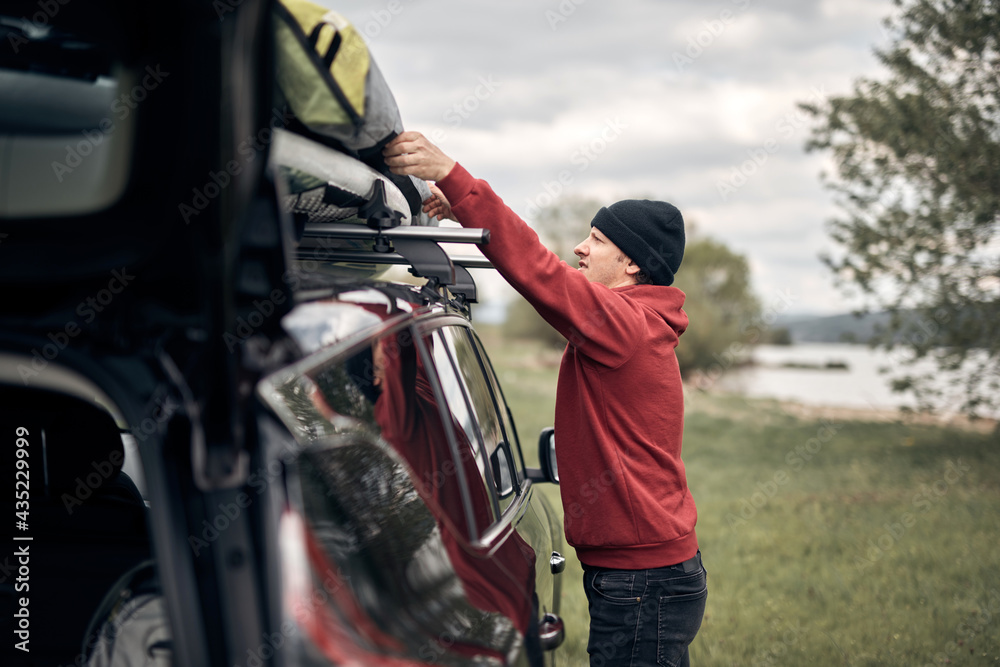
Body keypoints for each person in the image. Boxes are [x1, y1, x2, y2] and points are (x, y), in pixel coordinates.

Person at [383, 131, 706, 667]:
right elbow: (543, 271)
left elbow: (540, 272)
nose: (580, 247)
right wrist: (469, 218)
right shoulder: (634, 324)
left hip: (643, 580)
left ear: (632, 265)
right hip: (647, 573)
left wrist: (455, 178)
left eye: (597, 240)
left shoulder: (626, 325)